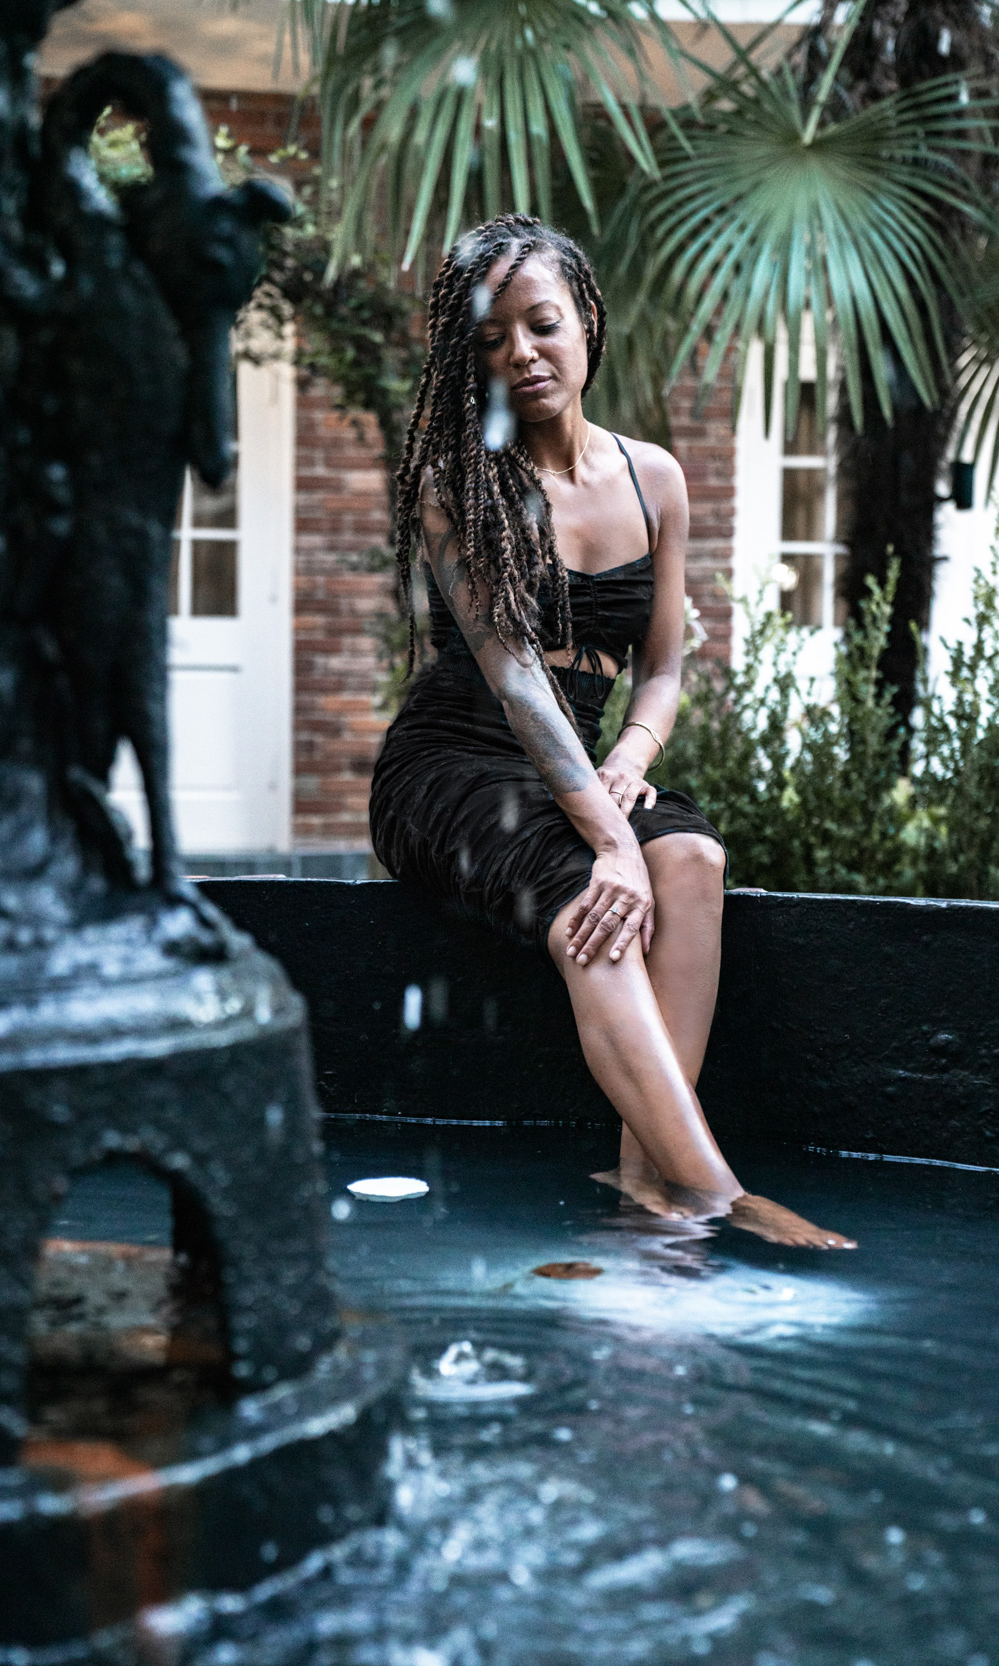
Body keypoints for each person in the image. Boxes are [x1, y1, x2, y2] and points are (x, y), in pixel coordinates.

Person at [370, 214, 855, 1249]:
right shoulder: (458, 483)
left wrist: (629, 765)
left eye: (541, 324)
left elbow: (665, 666)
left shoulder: (656, 480)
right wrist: (603, 841)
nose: (521, 354)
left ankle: (644, 1180)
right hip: (456, 760)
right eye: (490, 339)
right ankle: (720, 1198)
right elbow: (514, 681)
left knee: (688, 859)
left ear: (586, 319)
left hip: (586, 762)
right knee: (602, 897)